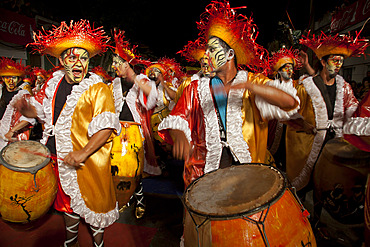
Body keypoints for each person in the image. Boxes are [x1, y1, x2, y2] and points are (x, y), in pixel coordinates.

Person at [158, 0, 299, 188]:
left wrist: (249, 85)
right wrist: (180, 136)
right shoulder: (195, 88)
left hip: (246, 171)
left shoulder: (253, 83)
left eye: (212, 49)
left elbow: (289, 101)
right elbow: (177, 119)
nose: (206, 55)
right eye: (206, 50)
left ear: (230, 54)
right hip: (204, 170)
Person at [18, 20, 120, 247]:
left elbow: (106, 128)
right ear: (62, 60)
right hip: (59, 157)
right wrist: (30, 111)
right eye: (72, 58)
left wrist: (83, 154)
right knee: (67, 206)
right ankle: (70, 242)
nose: (78, 63)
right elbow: (46, 114)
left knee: (95, 208)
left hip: (89, 161)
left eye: (84, 58)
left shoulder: (98, 88)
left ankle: (98, 245)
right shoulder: (53, 85)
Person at [285, 31, 368, 194]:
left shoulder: (345, 88)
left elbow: (353, 109)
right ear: (323, 62)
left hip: (333, 143)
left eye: (341, 61)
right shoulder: (305, 88)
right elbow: (289, 112)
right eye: (334, 60)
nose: (338, 65)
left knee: (328, 186)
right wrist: (303, 124)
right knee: (302, 188)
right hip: (308, 144)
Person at [110, 29, 157, 218]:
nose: (113, 66)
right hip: (115, 131)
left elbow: (153, 98)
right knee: (115, 168)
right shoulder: (113, 83)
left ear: (126, 64)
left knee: (134, 170)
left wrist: (133, 76)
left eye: (116, 62)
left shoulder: (141, 80)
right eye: (113, 62)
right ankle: (118, 199)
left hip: (135, 132)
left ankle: (139, 200)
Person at [266, 48, 302, 170]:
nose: (289, 70)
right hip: (275, 126)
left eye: (291, 68)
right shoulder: (272, 85)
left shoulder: (297, 85)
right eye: (286, 67)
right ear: (279, 71)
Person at [0, 57, 35, 149]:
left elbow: (29, 118)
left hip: (12, 137)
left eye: (14, 77)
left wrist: (12, 131)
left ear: (19, 79)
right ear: (3, 79)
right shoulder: (0, 91)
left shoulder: (23, 94)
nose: (10, 81)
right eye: (7, 77)